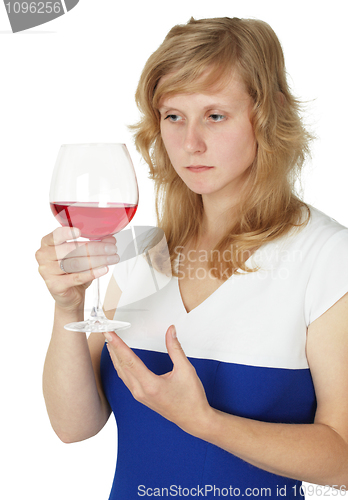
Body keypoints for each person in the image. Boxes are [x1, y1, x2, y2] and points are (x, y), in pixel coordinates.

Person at [36, 17, 348, 500]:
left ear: (267, 115)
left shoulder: (326, 257)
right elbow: (74, 426)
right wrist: (67, 308)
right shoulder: (140, 250)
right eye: (173, 116)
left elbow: (344, 461)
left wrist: (205, 423)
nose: (190, 143)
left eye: (215, 115)